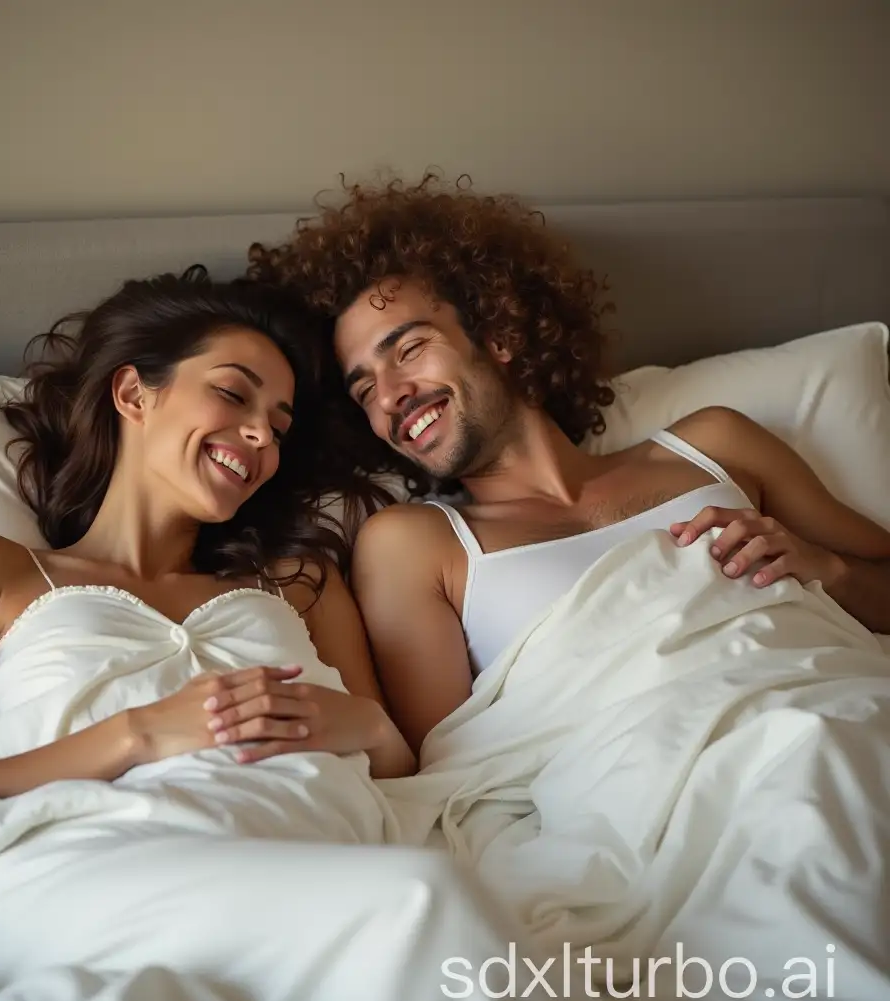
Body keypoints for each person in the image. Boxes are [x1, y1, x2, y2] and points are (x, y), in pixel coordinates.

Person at [246, 173, 890, 754]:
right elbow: (450, 771)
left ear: (498, 333)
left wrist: (823, 569)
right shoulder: (414, 545)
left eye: (409, 349)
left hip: (838, 705)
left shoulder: (716, 445)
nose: (390, 396)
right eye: (364, 391)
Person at [0, 265, 415, 798]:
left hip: (320, 847)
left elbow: (401, 775)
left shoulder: (300, 582)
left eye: (278, 427)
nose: (260, 436)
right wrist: (136, 735)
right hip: (104, 861)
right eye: (231, 393)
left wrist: (366, 723)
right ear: (133, 394)